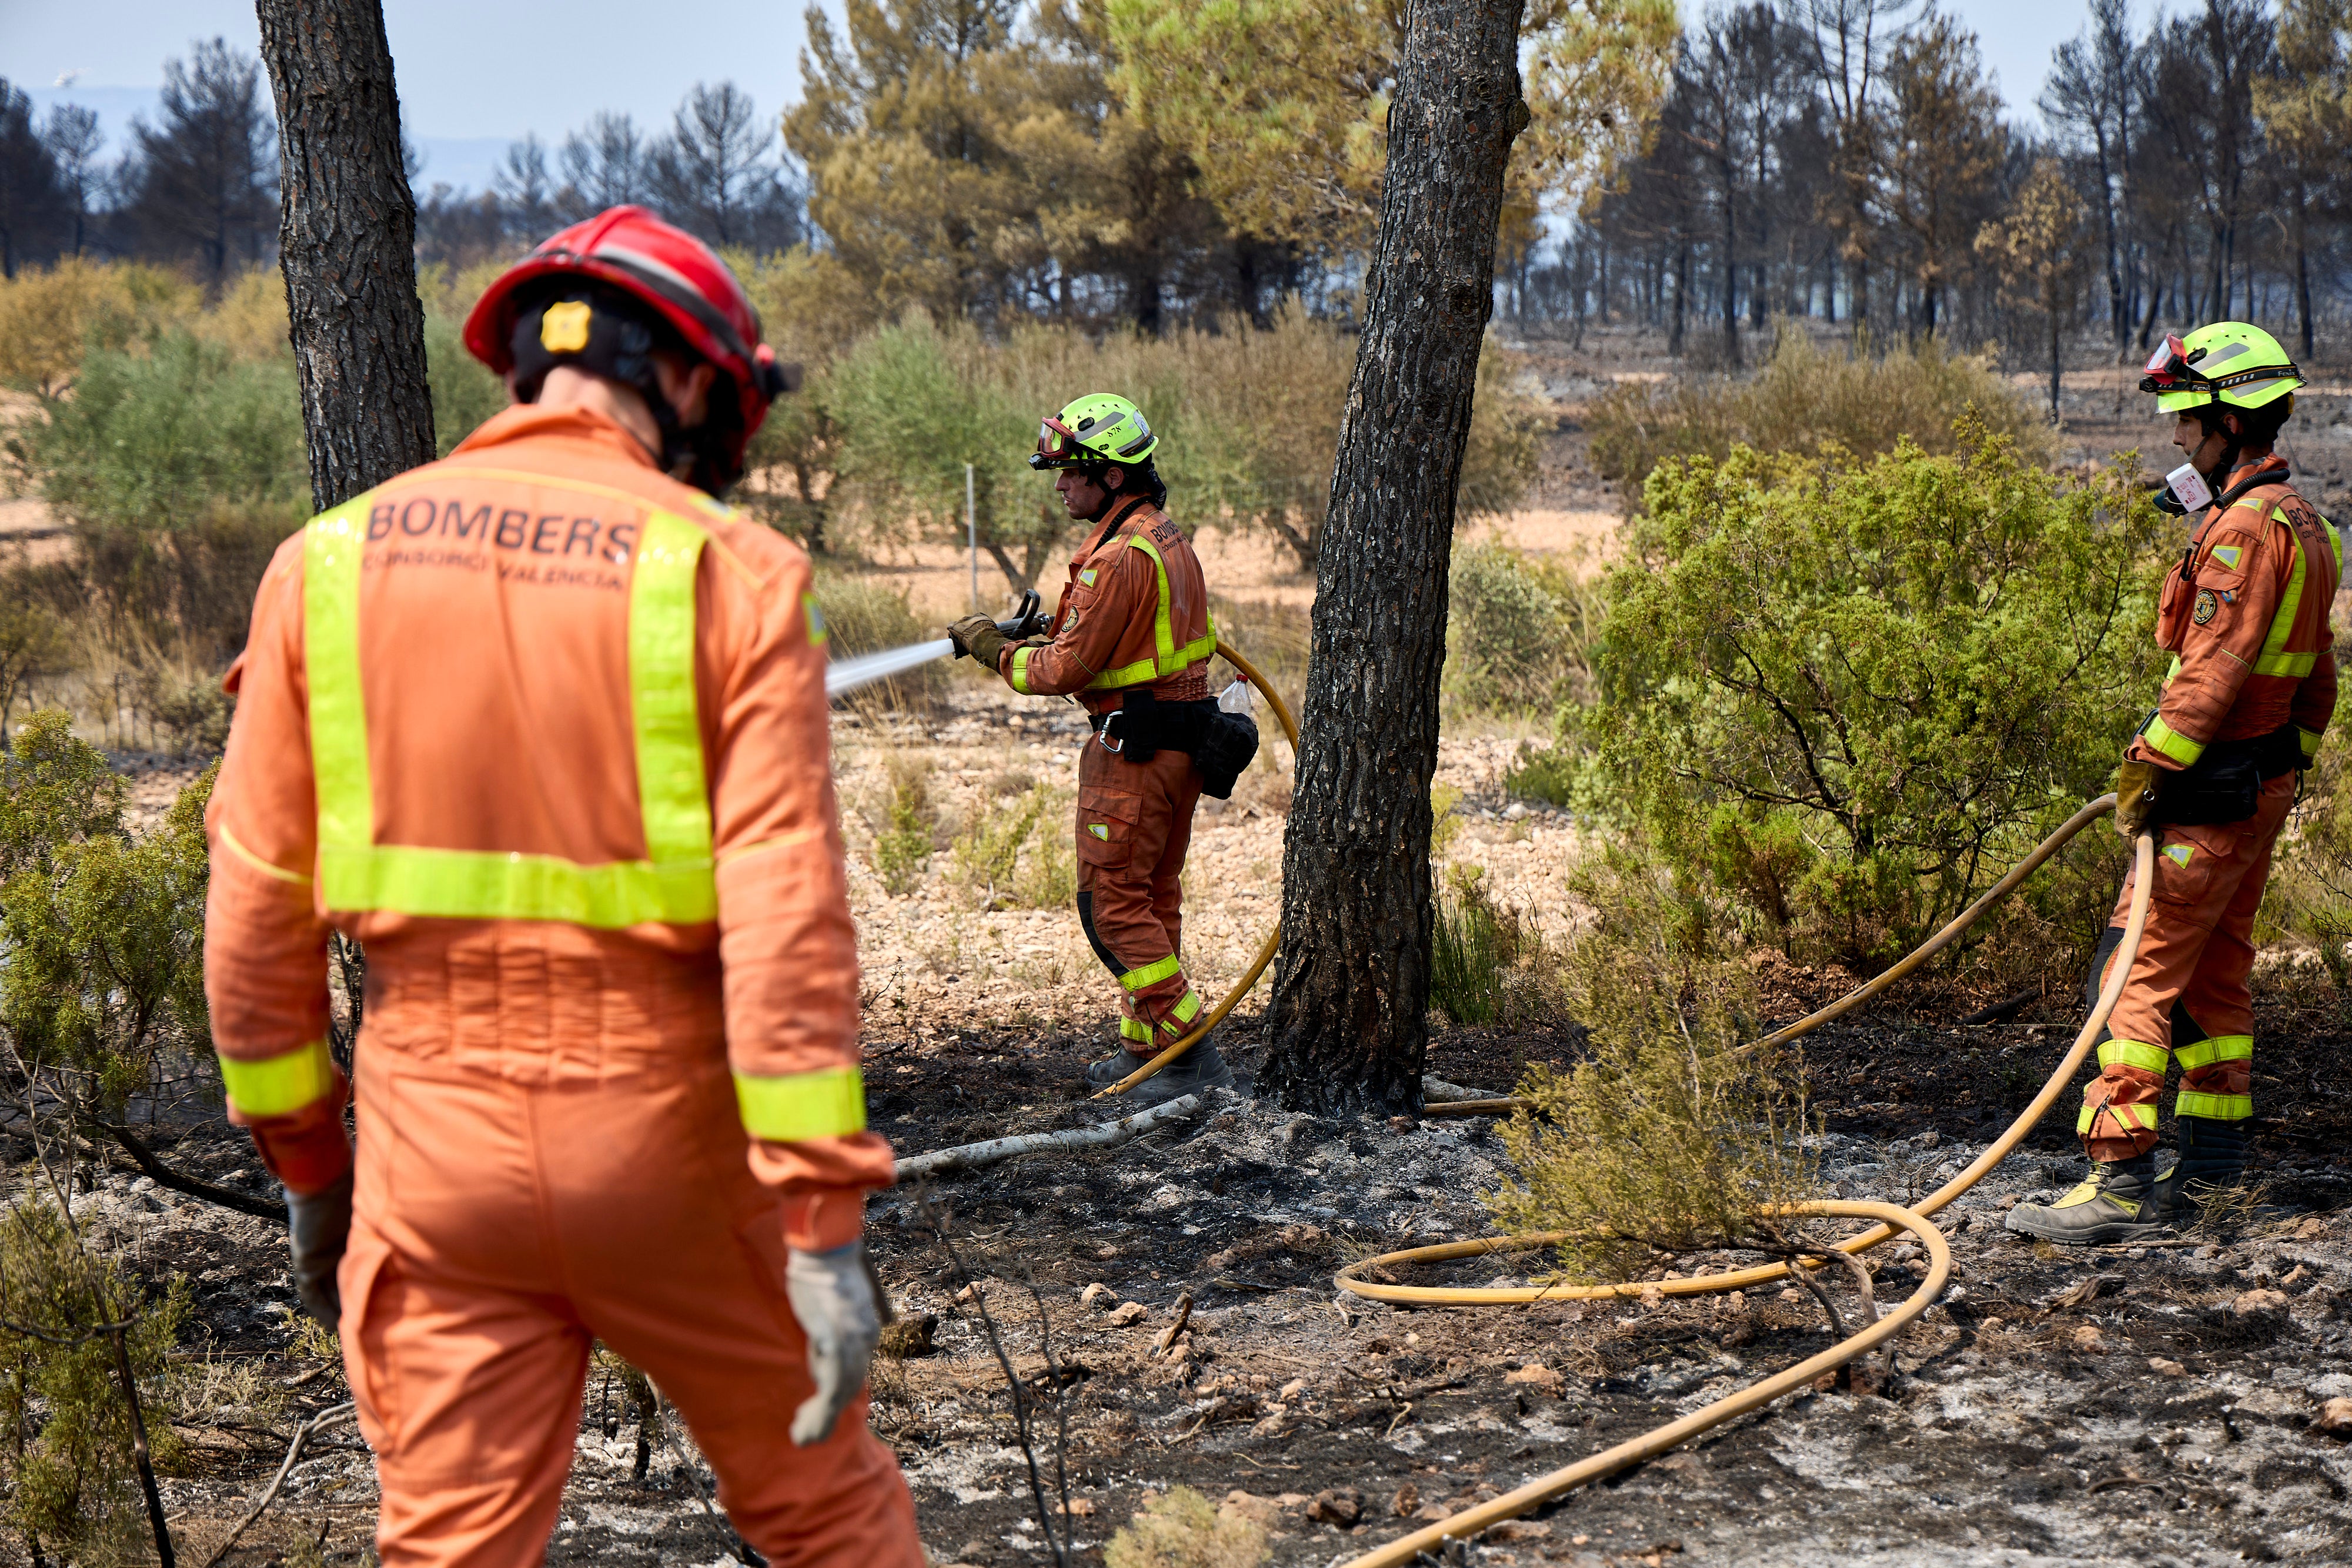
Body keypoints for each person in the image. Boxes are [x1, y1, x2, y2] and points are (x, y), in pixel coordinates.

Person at [203, 206, 923, 1566]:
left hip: (428, 1155)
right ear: (697, 377)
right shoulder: (734, 575)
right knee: (825, 1511)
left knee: (450, 1546)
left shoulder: (326, 567)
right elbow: (786, 925)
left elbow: (251, 918)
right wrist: (821, 1219)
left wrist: (310, 1170)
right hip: (664, 1142)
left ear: (525, 364)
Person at [2010, 322, 2338, 1246]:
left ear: (2230, 420)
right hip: (2254, 790)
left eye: (2188, 416)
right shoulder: (2305, 524)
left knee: (2131, 978)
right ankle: (2211, 1179)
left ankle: (2116, 1180)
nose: (2176, 436)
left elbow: (2212, 673)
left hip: (2207, 792)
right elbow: (2319, 681)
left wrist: (2144, 771)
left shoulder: (2242, 535)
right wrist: (2286, 770)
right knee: (2216, 981)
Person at [946, 394, 1235, 1104]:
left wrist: (993, 649)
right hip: (1178, 749)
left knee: (1110, 908)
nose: (1058, 484)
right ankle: (1148, 1054)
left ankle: (1192, 1055)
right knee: (1150, 900)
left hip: (1133, 756)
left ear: (1111, 475)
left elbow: (1062, 671)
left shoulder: (1116, 559)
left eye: (1069, 472)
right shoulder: (1162, 537)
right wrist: (1049, 622)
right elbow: (1126, 639)